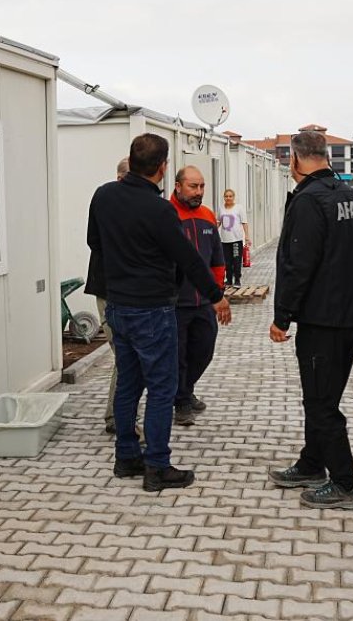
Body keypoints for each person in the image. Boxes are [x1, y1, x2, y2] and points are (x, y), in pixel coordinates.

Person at [87, 134, 231, 492]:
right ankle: (157, 467)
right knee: (162, 388)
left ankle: (126, 458)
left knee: (128, 384)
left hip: (117, 306)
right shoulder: (159, 210)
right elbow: (187, 258)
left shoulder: (103, 196)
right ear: (163, 168)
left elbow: (94, 242)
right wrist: (217, 296)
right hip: (152, 309)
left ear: (132, 160)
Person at [267, 130, 353, 509]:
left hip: (322, 317)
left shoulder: (310, 200)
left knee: (321, 401)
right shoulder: (351, 196)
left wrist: (283, 317)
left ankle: (346, 483)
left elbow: (299, 265)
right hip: (349, 314)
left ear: (295, 159)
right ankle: (312, 463)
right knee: (324, 395)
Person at [171, 166, 227, 426]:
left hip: (204, 302)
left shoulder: (207, 216)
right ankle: (181, 401)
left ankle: (185, 389)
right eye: (193, 186)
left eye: (202, 186)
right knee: (178, 355)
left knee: (204, 351)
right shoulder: (166, 215)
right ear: (178, 185)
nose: (199, 192)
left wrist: (217, 293)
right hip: (175, 303)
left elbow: (216, 259)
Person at [88, 157, 130, 435]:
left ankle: (119, 415)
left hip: (119, 289)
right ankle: (116, 418)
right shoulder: (105, 198)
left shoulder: (107, 197)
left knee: (126, 355)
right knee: (124, 356)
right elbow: (94, 241)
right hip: (110, 290)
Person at [218, 189, 251, 286]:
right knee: (227, 262)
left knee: (236, 260)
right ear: (224, 197)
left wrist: (247, 237)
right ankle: (228, 280)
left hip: (236, 240)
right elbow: (218, 222)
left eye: (230, 196)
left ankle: (237, 280)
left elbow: (244, 223)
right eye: (226, 196)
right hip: (225, 240)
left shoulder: (239, 208)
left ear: (233, 197)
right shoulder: (221, 208)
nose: (228, 198)